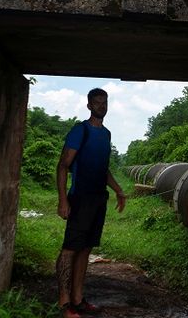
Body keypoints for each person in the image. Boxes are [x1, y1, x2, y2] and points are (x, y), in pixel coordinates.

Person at [55, 88, 126, 318]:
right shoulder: (80, 130)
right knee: (69, 250)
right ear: (89, 106)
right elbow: (63, 165)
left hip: (98, 199)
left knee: (85, 250)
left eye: (104, 103)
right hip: (80, 198)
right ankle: (65, 304)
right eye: (96, 103)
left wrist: (118, 191)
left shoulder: (106, 134)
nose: (101, 107)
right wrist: (63, 199)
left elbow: (103, 170)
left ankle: (78, 299)